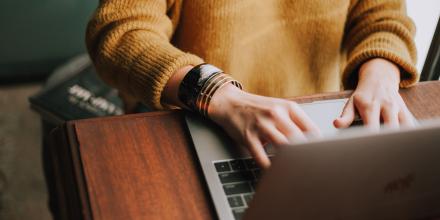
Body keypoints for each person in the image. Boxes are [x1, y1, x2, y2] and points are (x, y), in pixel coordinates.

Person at [86, 0, 418, 168]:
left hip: (318, 129)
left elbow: (383, 15)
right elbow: (121, 31)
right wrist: (216, 93)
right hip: (194, 121)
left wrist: (381, 72)